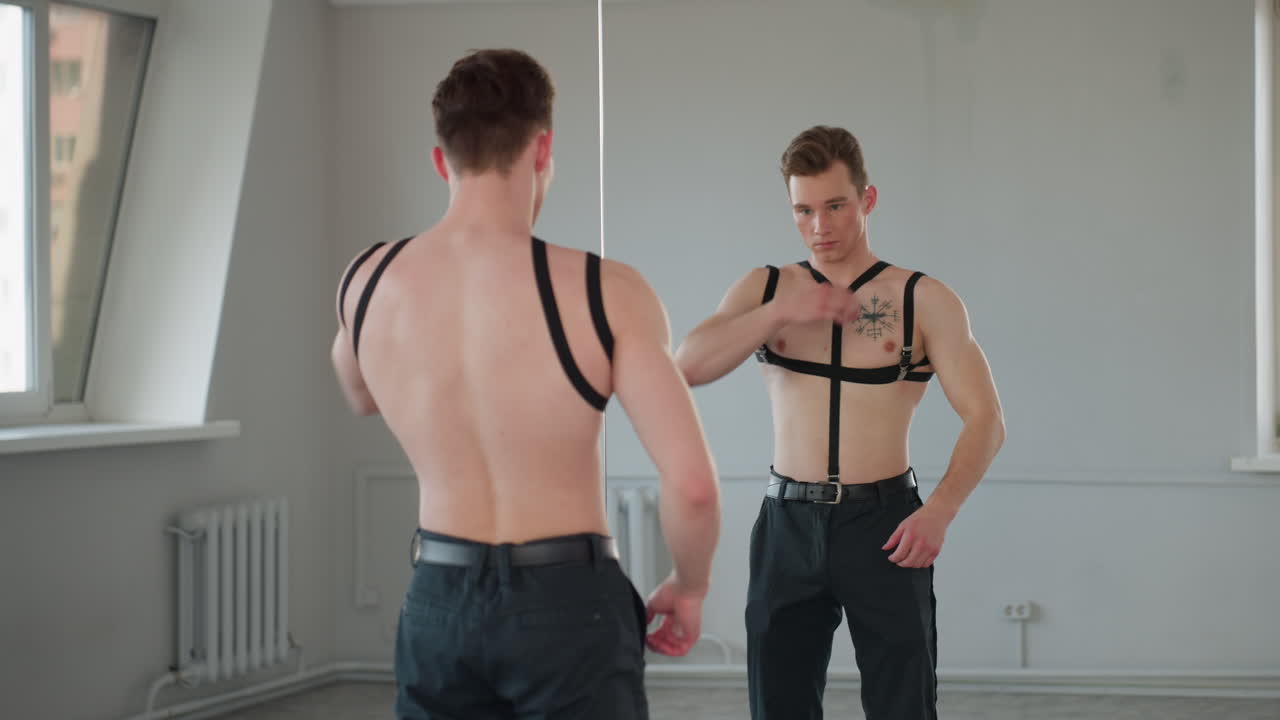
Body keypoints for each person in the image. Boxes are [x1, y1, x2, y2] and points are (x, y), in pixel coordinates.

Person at [331, 49, 720, 720]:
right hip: (567, 602)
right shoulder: (607, 292)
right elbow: (692, 485)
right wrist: (690, 585)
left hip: (437, 597)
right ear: (542, 150)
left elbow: (359, 393)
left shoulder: (367, 281)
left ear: (440, 159)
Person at [675, 125, 1005, 720]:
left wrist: (940, 510)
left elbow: (986, 420)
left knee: (903, 702)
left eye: (835, 206)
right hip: (787, 523)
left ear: (867, 200)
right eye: (803, 211)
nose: (819, 226)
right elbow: (688, 365)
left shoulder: (921, 299)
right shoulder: (766, 287)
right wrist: (781, 310)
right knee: (779, 702)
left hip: (883, 521)